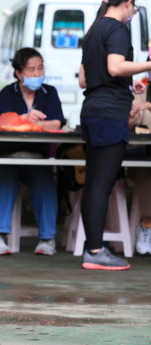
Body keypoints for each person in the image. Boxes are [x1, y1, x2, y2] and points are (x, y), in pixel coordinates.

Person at [78, 0, 151, 269]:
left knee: (95, 183)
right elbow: (115, 67)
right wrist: (147, 65)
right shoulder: (118, 29)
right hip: (109, 113)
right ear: (129, 4)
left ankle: (92, 249)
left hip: (92, 110)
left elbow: (84, 80)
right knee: (101, 184)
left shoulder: (94, 30)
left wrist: (121, 80)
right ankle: (96, 252)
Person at [0, 48, 63, 255]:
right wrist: (27, 120)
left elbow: (57, 122)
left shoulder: (50, 93)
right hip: (4, 156)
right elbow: (3, 124)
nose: (37, 74)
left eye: (40, 68)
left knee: (44, 182)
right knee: (6, 179)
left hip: (36, 157)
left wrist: (25, 122)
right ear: (19, 73)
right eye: (31, 70)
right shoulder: (7, 94)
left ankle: (47, 239)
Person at [127, 79, 151, 255]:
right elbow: (128, 123)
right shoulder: (140, 91)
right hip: (142, 152)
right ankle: (147, 225)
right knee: (145, 172)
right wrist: (133, 115)